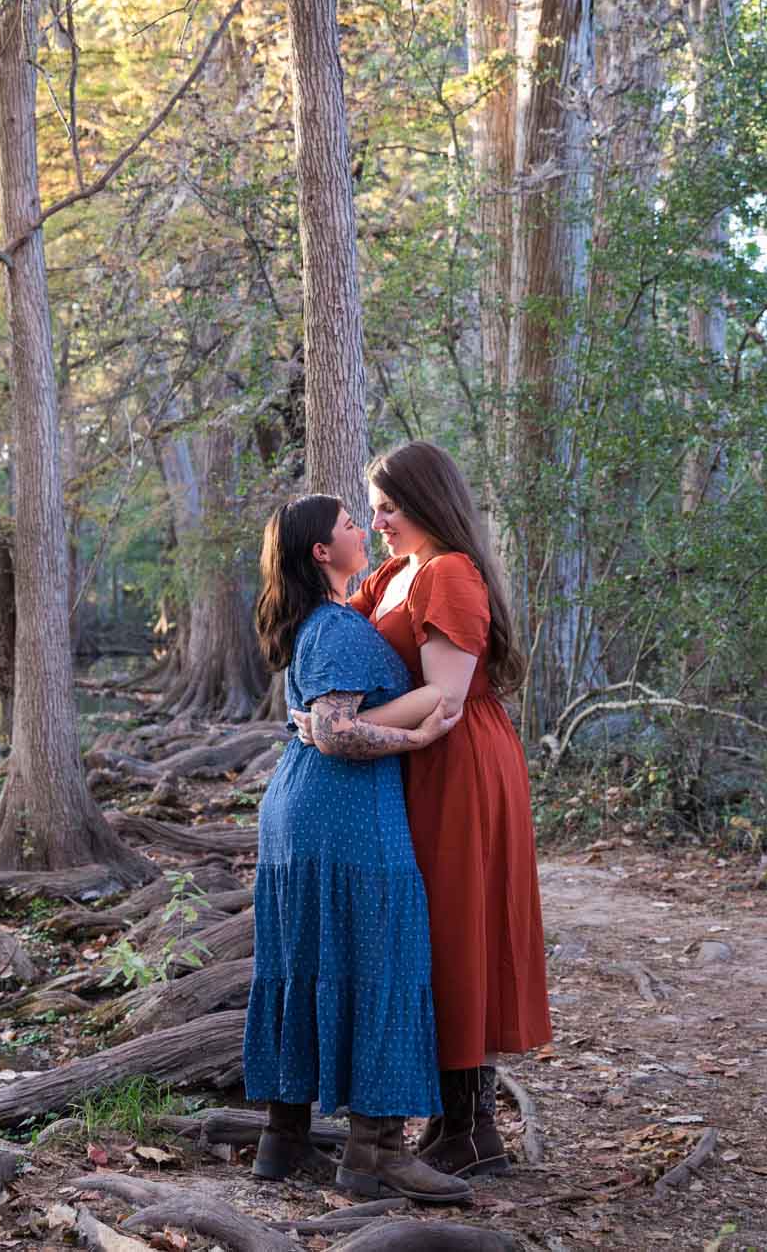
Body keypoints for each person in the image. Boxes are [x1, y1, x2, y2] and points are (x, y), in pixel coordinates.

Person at [298, 441, 553, 1179]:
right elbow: (340, 654)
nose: (379, 519)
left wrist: (343, 725)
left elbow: (445, 697)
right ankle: (450, 1122)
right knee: (424, 930)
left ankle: (470, 1128)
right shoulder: (395, 571)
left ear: (430, 502)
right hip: (416, 757)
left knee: (453, 926)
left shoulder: (450, 573)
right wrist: (323, 714)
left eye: (391, 505)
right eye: (372, 507)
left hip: (459, 760)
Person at [243, 493, 471, 1205]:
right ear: (321, 551)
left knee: (306, 956)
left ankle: (282, 1137)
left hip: (296, 807)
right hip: (343, 807)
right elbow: (339, 731)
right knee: (383, 955)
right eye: (349, 523)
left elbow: (322, 721)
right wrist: (415, 738)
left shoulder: (317, 621)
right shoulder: (338, 626)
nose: (361, 530)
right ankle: (374, 1152)